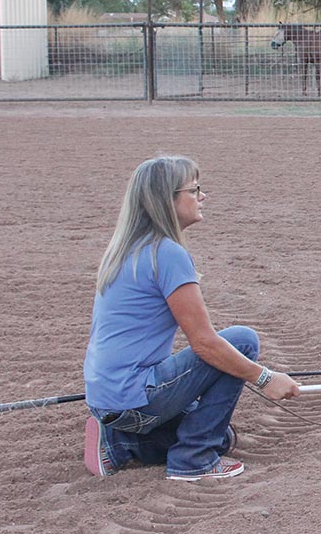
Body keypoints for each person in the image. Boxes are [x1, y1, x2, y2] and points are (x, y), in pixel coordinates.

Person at [82, 155, 301, 481]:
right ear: (167, 200)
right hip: (135, 397)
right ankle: (194, 459)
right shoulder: (167, 254)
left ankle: (120, 441)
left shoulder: (127, 249)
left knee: (223, 437)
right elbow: (205, 344)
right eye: (194, 189)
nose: (202, 196)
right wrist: (265, 378)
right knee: (241, 341)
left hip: (107, 399)